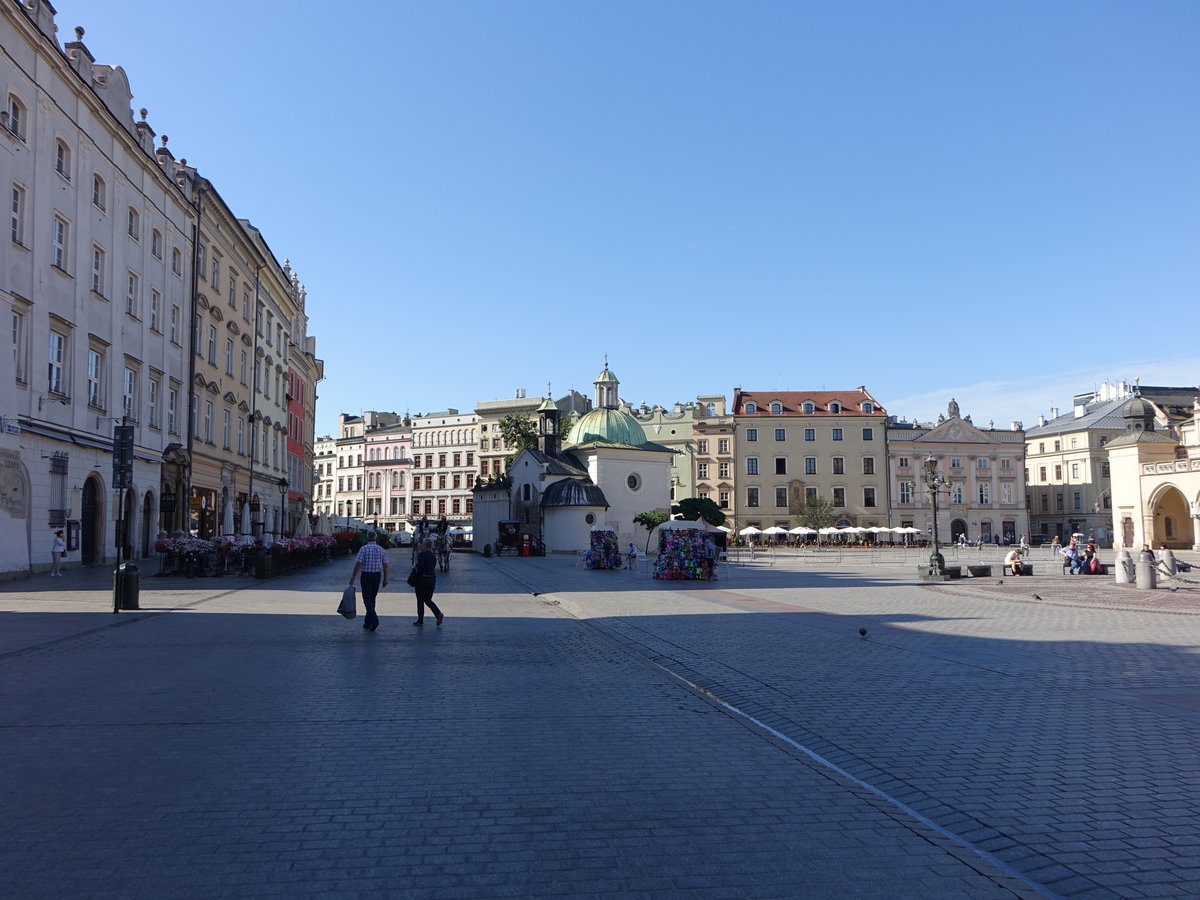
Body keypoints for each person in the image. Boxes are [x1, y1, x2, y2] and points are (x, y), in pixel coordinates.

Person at [349, 531, 388, 632]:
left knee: (367, 599)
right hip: (377, 576)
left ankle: (374, 620)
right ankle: (367, 623)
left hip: (366, 576)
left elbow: (358, 564)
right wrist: (385, 578)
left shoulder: (363, 549)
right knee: (372, 598)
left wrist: (353, 577)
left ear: (367, 538)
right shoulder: (381, 549)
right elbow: (385, 565)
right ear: (376, 538)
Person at [411, 539, 443, 627]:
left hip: (422, 579)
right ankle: (438, 614)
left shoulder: (422, 555)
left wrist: (415, 567)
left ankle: (420, 621)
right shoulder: (433, 556)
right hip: (432, 579)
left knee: (420, 600)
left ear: (425, 545)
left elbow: (419, 568)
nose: (421, 546)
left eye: (422, 545)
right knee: (428, 599)